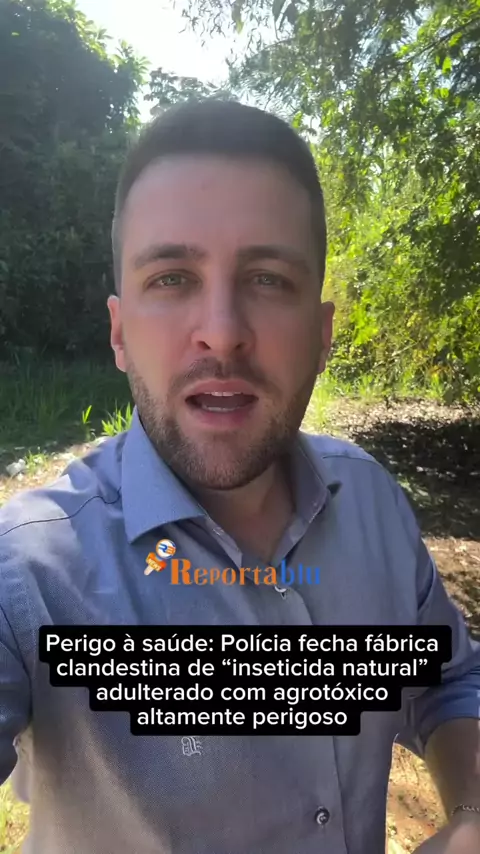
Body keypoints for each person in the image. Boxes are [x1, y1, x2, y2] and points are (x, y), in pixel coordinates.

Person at [0, 99, 479, 854]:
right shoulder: (27, 576)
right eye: (171, 277)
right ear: (119, 333)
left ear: (322, 335)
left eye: (268, 279)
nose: (222, 333)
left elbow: (448, 680)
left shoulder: (374, 506)